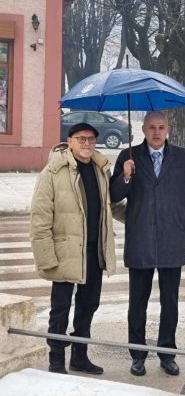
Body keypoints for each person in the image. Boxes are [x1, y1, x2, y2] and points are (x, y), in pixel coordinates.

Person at [110, 111, 185, 377]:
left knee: (170, 302)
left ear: (168, 128)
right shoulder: (128, 156)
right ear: (143, 129)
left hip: (173, 239)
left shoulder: (183, 157)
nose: (157, 132)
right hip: (141, 240)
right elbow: (113, 195)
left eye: (161, 127)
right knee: (138, 301)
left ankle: (167, 353)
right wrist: (125, 177)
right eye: (151, 128)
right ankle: (137, 354)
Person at [30, 123, 124, 375]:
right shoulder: (53, 172)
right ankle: (56, 360)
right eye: (81, 139)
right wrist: (46, 259)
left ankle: (79, 357)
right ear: (69, 141)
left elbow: (110, 206)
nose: (87, 144)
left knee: (88, 306)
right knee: (60, 309)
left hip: (95, 253)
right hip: (66, 253)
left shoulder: (100, 169)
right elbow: (40, 220)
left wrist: (139, 217)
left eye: (91, 139)